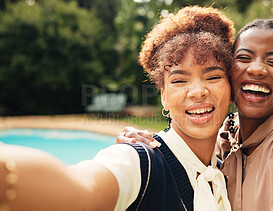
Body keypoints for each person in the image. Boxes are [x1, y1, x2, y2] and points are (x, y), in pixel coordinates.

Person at [0, 6, 235, 211]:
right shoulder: (138, 160)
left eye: (213, 77)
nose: (197, 91)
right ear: (163, 96)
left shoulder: (229, 164)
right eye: (179, 80)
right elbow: (84, 189)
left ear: (230, 86)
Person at [118, 19, 273, 211]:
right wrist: (146, 145)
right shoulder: (220, 139)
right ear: (229, 72)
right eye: (244, 58)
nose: (257, 69)